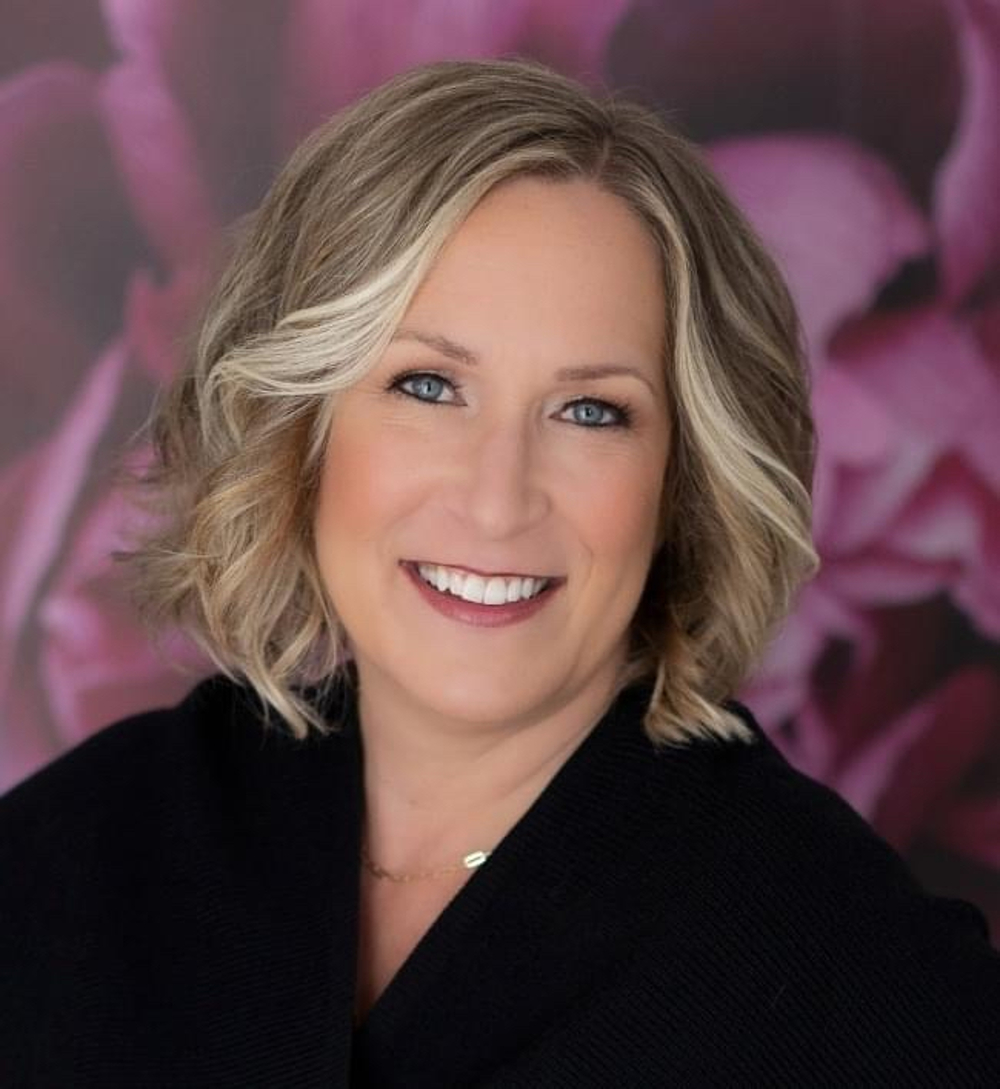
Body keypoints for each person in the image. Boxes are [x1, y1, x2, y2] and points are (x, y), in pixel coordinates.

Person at [1, 56, 997, 1088]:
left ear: (684, 481)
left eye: (590, 411)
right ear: (300, 428)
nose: (496, 498)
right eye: (428, 386)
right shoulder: (85, 858)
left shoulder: (862, 986)